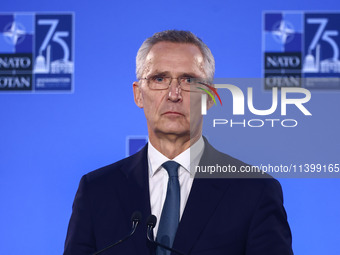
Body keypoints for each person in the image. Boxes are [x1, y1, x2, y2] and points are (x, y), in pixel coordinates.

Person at [64, 30, 293, 255]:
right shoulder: (97, 190)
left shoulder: (254, 191)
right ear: (138, 95)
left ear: (210, 98)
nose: (174, 94)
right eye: (159, 79)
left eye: (189, 80)